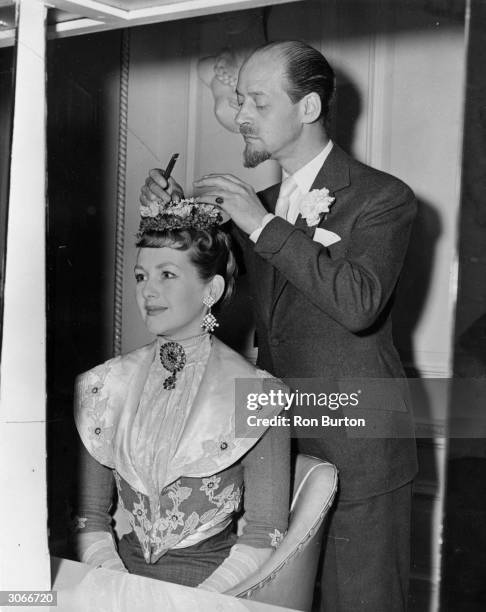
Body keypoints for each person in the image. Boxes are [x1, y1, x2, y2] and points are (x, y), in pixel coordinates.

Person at [140, 40, 418, 611]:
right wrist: (166, 216)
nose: (240, 115)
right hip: (272, 447)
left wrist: (261, 223)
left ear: (308, 108)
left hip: (359, 446)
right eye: (239, 99)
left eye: (257, 102)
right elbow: (188, 290)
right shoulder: (255, 204)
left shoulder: (383, 198)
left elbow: (360, 302)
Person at [71, 197, 290, 592]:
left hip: (211, 589)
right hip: (116, 582)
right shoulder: (104, 385)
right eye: (140, 277)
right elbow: (90, 517)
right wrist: (120, 590)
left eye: (167, 275)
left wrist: (200, 601)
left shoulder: (257, 394)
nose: (148, 291)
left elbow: (265, 531)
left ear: (212, 290)